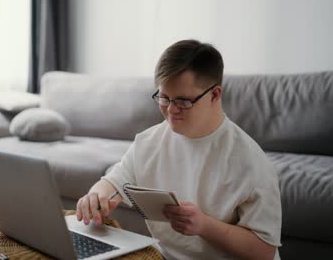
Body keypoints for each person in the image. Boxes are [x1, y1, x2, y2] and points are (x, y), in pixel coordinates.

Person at [75, 39, 282, 260]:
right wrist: (96, 196)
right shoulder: (149, 142)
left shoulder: (250, 162)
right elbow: (113, 182)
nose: (171, 110)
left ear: (215, 95)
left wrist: (204, 226)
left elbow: (265, 251)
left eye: (183, 101)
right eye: (164, 98)